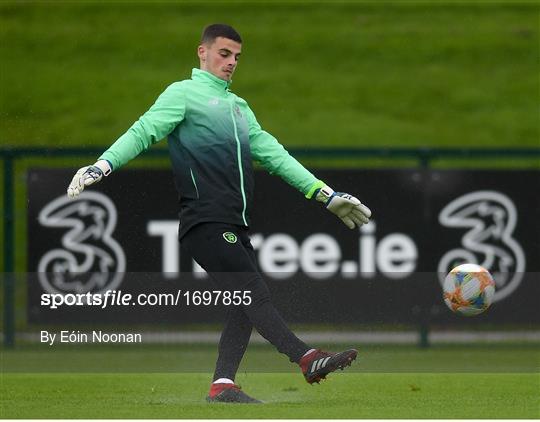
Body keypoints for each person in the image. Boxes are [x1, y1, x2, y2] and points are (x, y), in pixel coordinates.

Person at [67, 23, 372, 404]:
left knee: (242, 306)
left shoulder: (239, 108)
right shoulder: (183, 94)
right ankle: (306, 357)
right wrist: (103, 164)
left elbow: (276, 157)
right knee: (253, 293)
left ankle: (222, 385)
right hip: (205, 222)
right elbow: (143, 131)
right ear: (203, 52)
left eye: (237, 57)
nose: (231, 63)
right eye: (224, 54)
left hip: (234, 224)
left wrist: (325, 195)